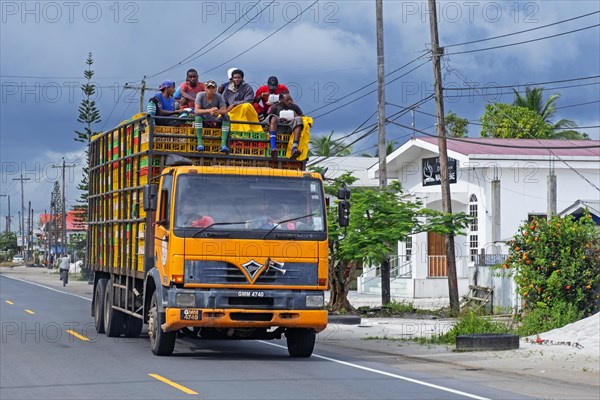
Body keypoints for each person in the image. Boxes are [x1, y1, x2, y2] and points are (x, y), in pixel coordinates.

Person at [194, 80, 230, 153]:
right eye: (209, 88)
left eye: (212, 88)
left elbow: (224, 111)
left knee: (226, 116)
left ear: (215, 89)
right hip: (203, 119)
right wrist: (209, 110)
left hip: (215, 119)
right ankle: (200, 142)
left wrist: (216, 111)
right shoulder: (200, 95)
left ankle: (223, 144)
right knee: (198, 115)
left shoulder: (219, 96)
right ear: (205, 89)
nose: (211, 90)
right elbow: (196, 110)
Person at [267, 93, 304, 159]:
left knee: (299, 119)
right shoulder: (275, 107)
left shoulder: (294, 107)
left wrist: (296, 115)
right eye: (287, 100)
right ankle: (273, 148)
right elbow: (268, 119)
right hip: (278, 129)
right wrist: (279, 119)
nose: (289, 102)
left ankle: (294, 148)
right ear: (281, 100)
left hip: (289, 129)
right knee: (273, 118)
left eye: (290, 99)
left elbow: (304, 117)